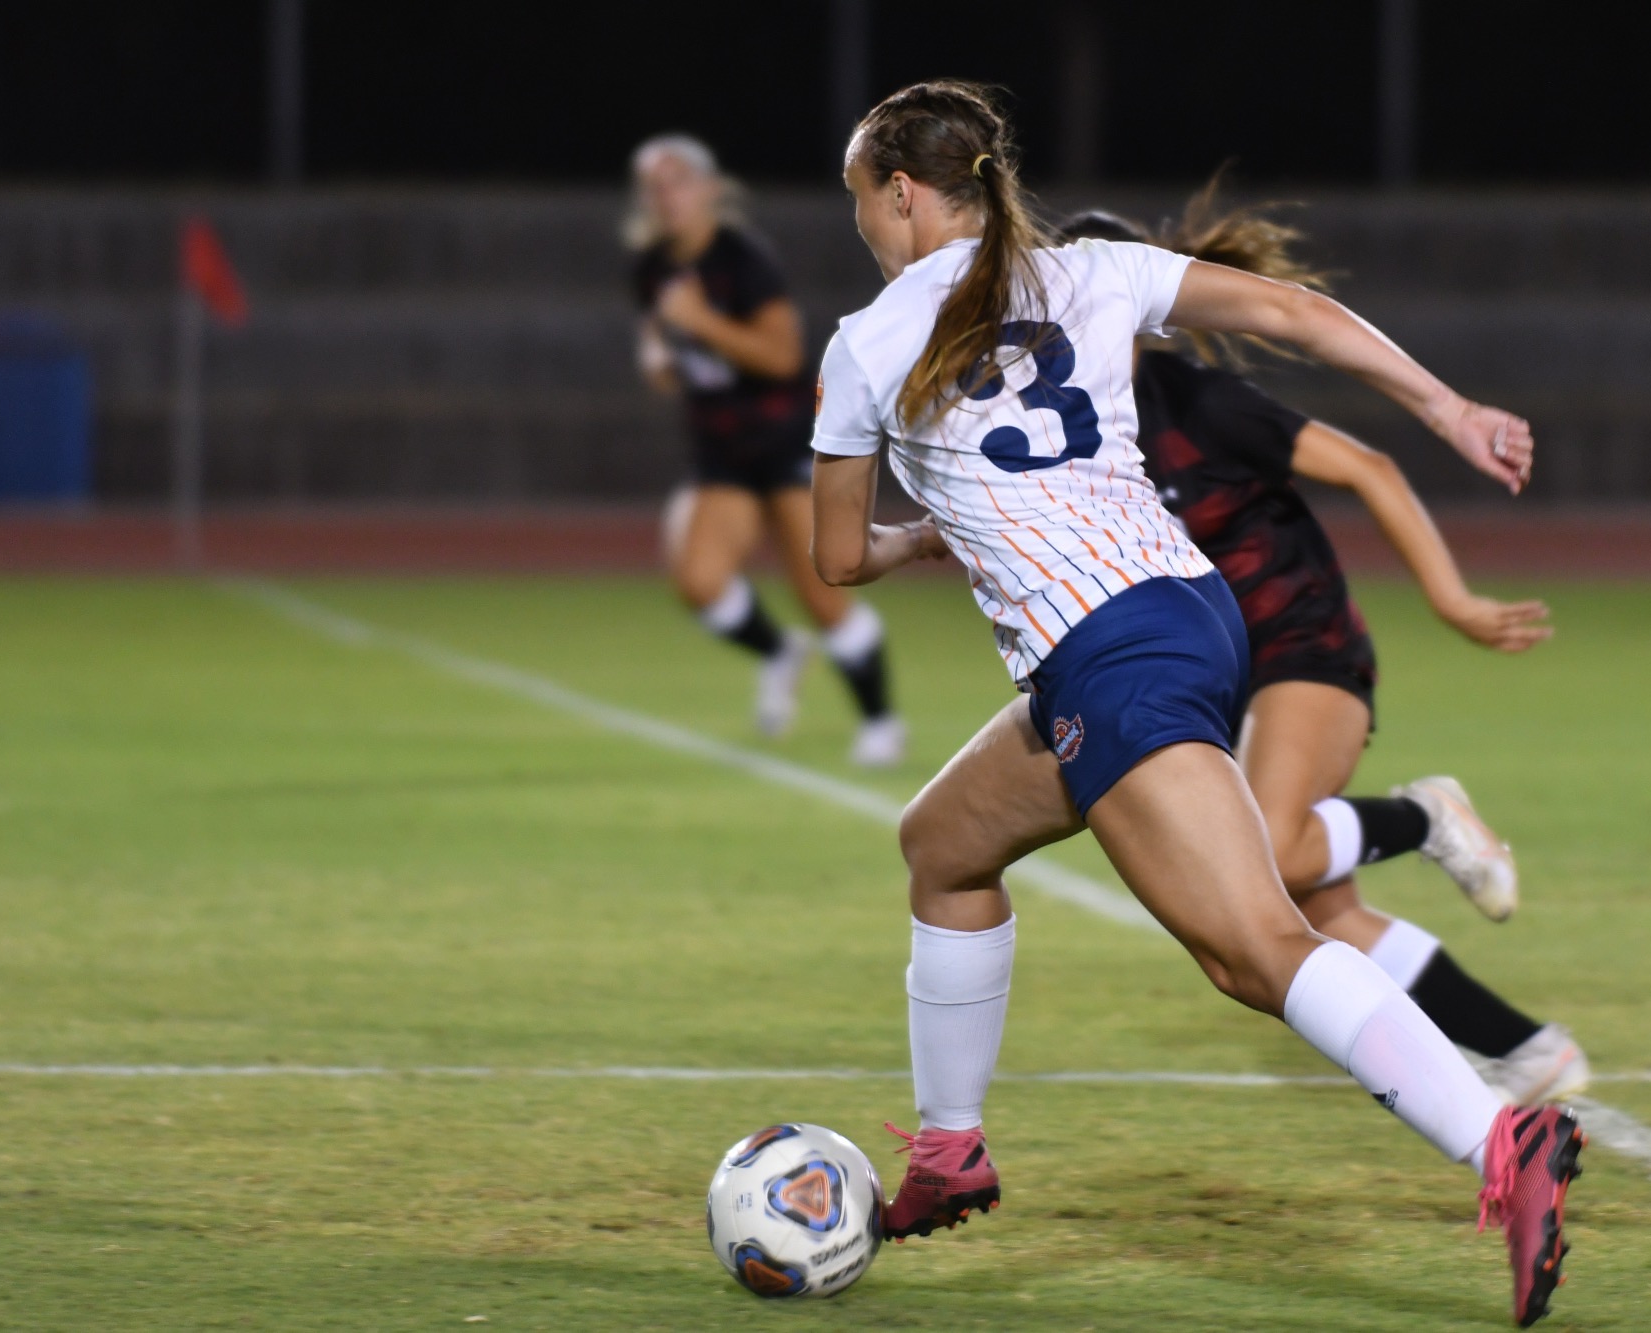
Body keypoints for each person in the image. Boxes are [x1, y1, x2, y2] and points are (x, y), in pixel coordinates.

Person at [809, 82, 1583, 1327]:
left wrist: (917, 541)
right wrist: (1448, 406)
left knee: (1253, 950)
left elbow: (839, 558)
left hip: (1110, 655)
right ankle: (949, 1154)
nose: (855, 220)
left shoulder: (864, 344)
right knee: (943, 847)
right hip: (1185, 614)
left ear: (898, 192)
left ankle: (1503, 1141)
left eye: (856, 195)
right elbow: (1288, 311)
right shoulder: (1093, 270)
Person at [1057, 202, 1587, 1107]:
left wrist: (1451, 600)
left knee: (1270, 855)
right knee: (1314, 910)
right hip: (1209, 675)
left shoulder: (1202, 403)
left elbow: (1368, 469)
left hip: (1301, 644)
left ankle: (1425, 819)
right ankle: (1529, 1049)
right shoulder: (1060, 424)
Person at [626, 134, 904, 766]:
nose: (665, 198)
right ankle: (780, 653)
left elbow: (781, 356)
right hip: (722, 448)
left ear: (706, 188)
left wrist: (701, 323)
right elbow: (671, 363)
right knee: (699, 582)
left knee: (823, 591)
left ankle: (881, 722)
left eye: (677, 182)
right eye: (654, 186)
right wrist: (661, 357)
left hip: (786, 440)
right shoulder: (652, 267)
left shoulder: (743, 259)